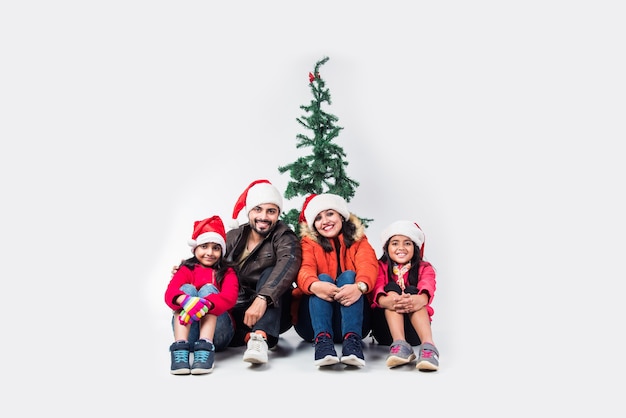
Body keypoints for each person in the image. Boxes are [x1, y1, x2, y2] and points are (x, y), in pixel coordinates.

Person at [292, 193, 378, 368]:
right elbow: (304, 269)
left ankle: (352, 343)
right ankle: (323, 343)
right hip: (313, 325)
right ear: (313, 224)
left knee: (348, 276)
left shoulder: (359, 241)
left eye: (330, 214)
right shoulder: (308, 243)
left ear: (341, 215)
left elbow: (368, 265)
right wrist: (315, 285)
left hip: (355, 321)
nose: (325, 221)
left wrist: (359, 287)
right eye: (318, 218)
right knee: (322, 278)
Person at [222, 179, 302, 365]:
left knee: (271, 271)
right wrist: (187, 268)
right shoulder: (234, 235)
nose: (263, 216)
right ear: (249, 211)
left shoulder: (285, 236)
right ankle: (245, 337)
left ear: (278, 214)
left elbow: (288, 264)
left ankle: (260, 338)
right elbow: (212, 263)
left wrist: (263, 298)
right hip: (239, 308)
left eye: (271, 211)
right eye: (258, 209)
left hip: (273, 310)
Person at [164, 215, 239, 375]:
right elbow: (170, 293)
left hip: (219, 335)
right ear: (195, 248)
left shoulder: (227, 272)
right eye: (204, 246)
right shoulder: (186, 269)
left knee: (208, 290)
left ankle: (205, 347)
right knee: (185, 290)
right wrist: (185, 300)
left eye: (216, 248)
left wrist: (205, 304)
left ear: (222, 250)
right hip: (190, 333)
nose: (209, 253)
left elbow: (230, 297)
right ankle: (180, 347)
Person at [370, 220, 440, 371]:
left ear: (415, 248)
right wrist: (390, 300)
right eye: (395, 243)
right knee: (391, 287)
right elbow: (376, 288)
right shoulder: (379, 267)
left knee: (412, 291)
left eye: (407, 243)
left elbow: (428, 286)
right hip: (385, 330)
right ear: (387, 248)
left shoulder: (425, 268)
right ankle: (399, 344)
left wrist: (417, 299)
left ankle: (428, 346)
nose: (401, 248)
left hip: (414, 330)